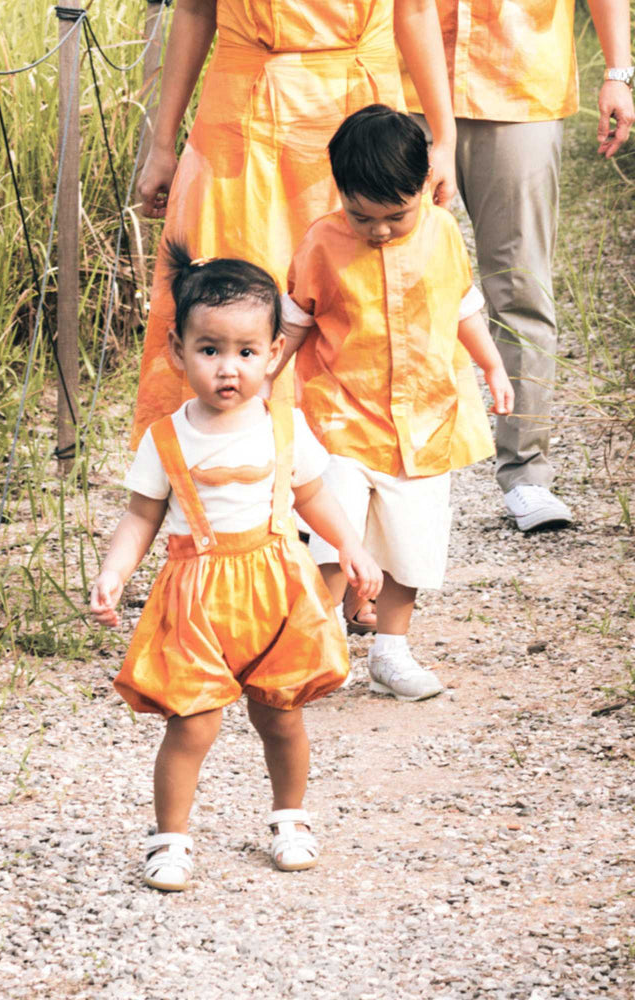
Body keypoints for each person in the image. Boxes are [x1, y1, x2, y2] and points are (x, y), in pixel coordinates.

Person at [90, 244, 383, 891]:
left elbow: (312, 496)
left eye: (247, 352)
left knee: (280, 714)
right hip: (194, 595)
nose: (229, 368)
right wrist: (115, 571)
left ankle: (290, 817)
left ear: (274, 354)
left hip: (276, 585)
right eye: (210, 349)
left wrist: (352, 547)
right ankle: (170, 838)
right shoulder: (167, 436)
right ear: (177, 349)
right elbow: (140, 517)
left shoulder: (284, 426)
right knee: (191, 722)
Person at [130, 0, 459, 447]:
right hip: (239, 123)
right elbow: (192, 10)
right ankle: (216, 468)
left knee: (357, 302)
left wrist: (444, 138)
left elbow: (417, 12)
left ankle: (341, 482)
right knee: (228, 302)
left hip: (360, 127)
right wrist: (162, 144)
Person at [272, 106, 515, 701]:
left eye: (395, 216)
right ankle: (323, 646)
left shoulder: (442, 233)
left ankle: (391, 652)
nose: (378, 230)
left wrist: (491, 364)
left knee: (412, 544)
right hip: (341, 416)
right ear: (341, 195)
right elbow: (295, 320)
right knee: (334, 536)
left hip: (428, 420)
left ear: (424, 186)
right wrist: (262, 385)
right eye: (362, 216)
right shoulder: (322, 243)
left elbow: (461, 306)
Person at [400, 0, 634, 531]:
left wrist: (619, 73)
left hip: (520, 82)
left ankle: (527, 475)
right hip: (401, 80)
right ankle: (391, 469)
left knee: (520, 287)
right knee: (393, 283)